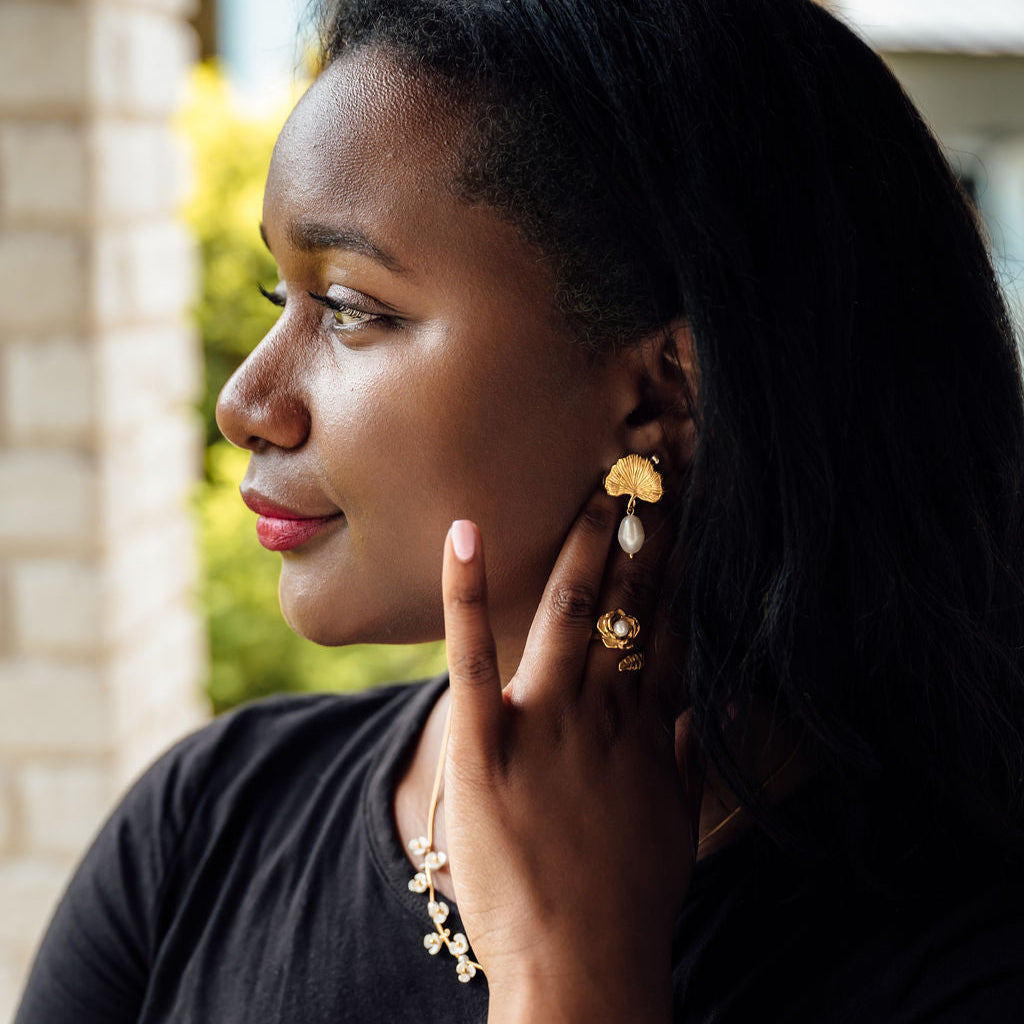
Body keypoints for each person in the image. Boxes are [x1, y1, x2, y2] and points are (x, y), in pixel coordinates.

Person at [15, 0, 1024, 1020]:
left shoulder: (967, 952)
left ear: (662, 390)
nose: (245, 404)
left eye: (353, 309)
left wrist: (571, 978)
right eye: (285, 301)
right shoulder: (199, 832)